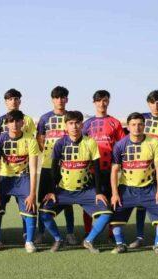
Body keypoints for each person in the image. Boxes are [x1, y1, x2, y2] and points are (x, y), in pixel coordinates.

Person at [39, 111, 112, 253]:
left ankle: (89, 240)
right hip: (64, 190)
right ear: (66, 126)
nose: (74, 126)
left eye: (77, 123)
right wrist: (52, 191)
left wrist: (98, 192)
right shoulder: (60, 143)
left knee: (107, 213)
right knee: (43, 212)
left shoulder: (90, 142)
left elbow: (96, 169)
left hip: (86, 190)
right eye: (71, 123)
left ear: (82, 124)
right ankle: (58, 239)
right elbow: (54, 170)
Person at [110, 112, 158, 256]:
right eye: (133, 124)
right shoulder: (120, 145)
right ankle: (120, 244)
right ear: (128, 127)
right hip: (126, 189)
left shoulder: (154, 143)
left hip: (149, 188)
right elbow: (114, 171)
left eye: (140, 124)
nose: (137, 127)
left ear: (144, 125)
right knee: (114, 217)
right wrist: (115, 193)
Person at [130, 90, 158, 251]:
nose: (155, 105)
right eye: (152, 102)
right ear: (148, 103)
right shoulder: (142, 119)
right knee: (142, 204)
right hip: (144, 168)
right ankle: (140, 237)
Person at [0, 110, 39, 253]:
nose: (15, 124)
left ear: (23, 122)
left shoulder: (30, 140)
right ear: (7, 124)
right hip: (4, 178)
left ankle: (29, 241)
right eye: (11, 121)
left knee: (30, 208)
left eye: (18, 121)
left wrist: (32, 194)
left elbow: (34, 169)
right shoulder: (0, 140)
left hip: (23, 178)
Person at [82, 90, 126, 241]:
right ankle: (88, 232)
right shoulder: (87, 124)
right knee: (89, 201)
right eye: (99, 100)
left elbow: (122, 145)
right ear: (94, 103)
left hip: (110, 169)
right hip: (92, 170)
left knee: (111, 200)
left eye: (105, 100)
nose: (102, 103)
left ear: (108, 101)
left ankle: (111, 233)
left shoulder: (115, 122)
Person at [36, 86, 76, 245]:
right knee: (44, 201)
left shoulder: (71, 117)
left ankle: (71, 233)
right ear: (52, 100)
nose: (60, 100)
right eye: (57, 97)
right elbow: (40, 139)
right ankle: (41, 233)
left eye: (63, 97)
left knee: (66, 201)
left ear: (67, 99)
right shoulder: (45, 118)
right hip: (47, 166)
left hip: (67, 166)